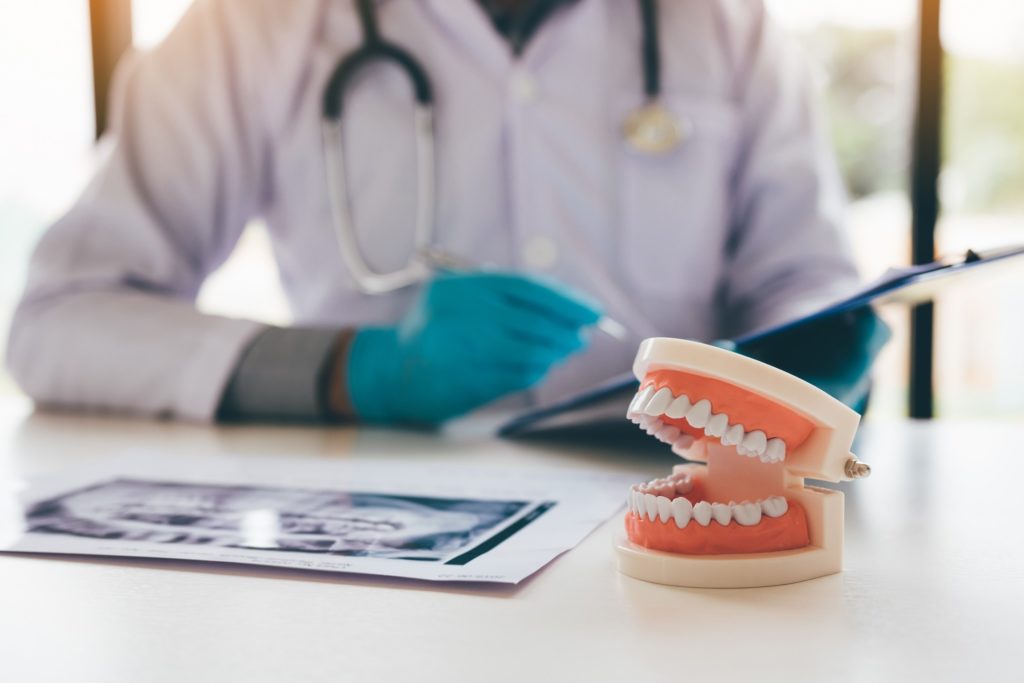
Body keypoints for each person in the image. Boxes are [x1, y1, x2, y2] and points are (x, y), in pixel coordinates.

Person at [5, 0, 860, 425]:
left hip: (678, 522)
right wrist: (353, 370)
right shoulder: (251, 25)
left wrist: (808, 354)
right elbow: (59, 325)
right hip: (383, 549)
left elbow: (805, 279)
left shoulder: (727, 27)